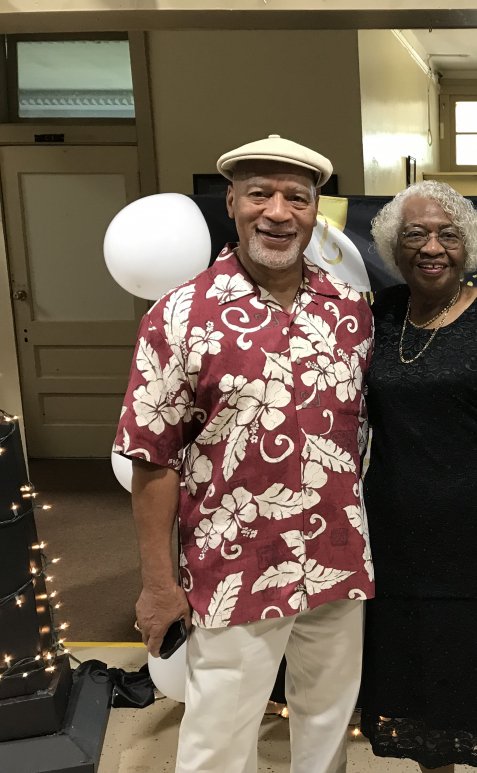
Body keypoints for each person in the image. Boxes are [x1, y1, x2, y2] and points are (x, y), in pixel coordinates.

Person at [114, 135, 374, 773]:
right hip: (233, 569)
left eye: (297, 198)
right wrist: (158, 584)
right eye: (260, 194)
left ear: (316, 211)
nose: (278, 213)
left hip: (337, 559)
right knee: (218, 745)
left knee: (328, 728)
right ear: (231, 203)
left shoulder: (351, 313)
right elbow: (151, 457)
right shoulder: (179, 316)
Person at [360, 180, 477, 772]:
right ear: (394, 248)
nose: (431, 247)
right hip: (399, 548)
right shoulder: (380, 315)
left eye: (447, 234)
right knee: (423, 704)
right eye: (415, 234)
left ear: (468, 245)